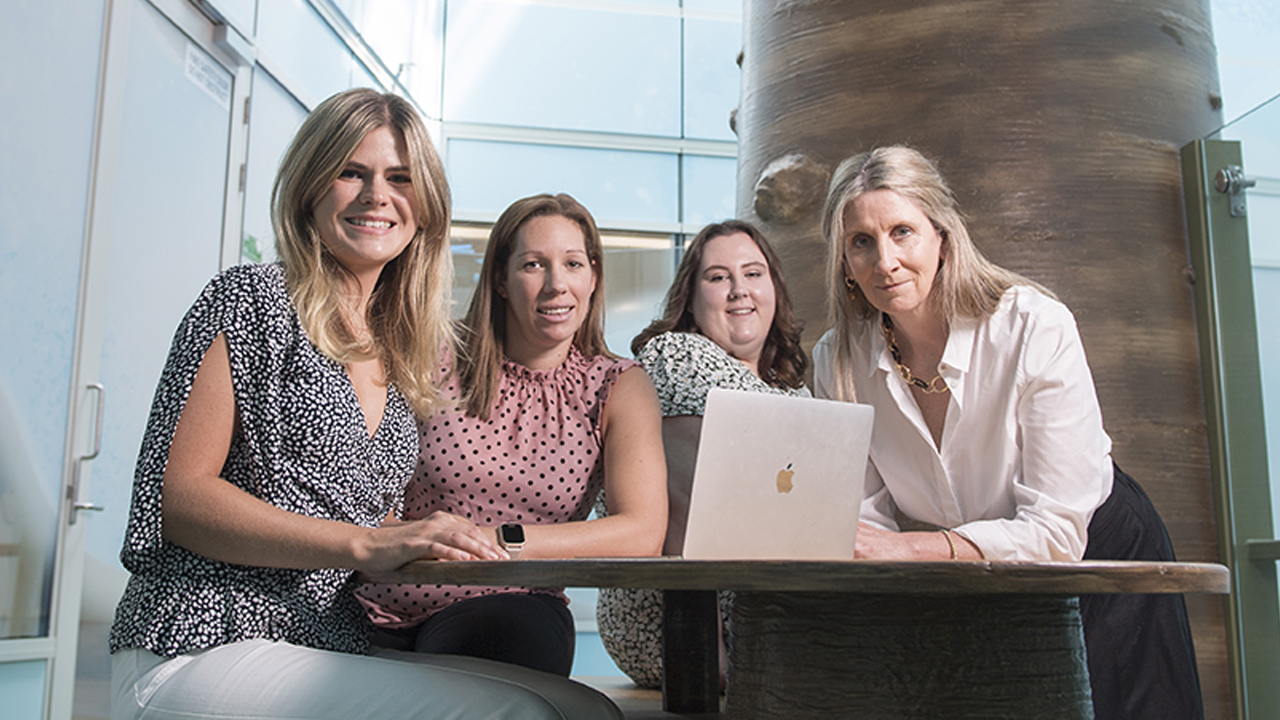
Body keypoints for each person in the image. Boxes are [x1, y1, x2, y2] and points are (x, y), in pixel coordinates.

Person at [108, 89, 621, 720]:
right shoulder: (252, 300)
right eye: (352, 171)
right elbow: (180, 500)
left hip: (322, 641)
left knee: (585, 710)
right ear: (310, 186)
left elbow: (355, 511)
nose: (378, 196)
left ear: (424, 204)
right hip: (200, 640)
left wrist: (422, 537)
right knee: (527, 716)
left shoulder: (397, 346)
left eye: (399, 177)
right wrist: (363, 545)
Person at [813, 145, 1203, 719]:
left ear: (942, 238)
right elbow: (863, 524)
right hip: (974, 569)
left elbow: (1054, 535)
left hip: (1099, 551)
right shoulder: (836, 361)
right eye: (861, 242)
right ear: (843, 261)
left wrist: (910, 549)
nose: (885, 261)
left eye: (902, 232)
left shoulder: (1034, 326)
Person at [356, 193, 667, 677]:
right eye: (533, 265)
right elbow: (367, 489)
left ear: (594, 277)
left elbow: (641, 532)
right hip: (376, 600)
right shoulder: (434, 356)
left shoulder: (618, 385)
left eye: (573, 264)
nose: (556, 285)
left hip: (512, 606)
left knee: (486, 654)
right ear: (500, 279)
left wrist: (494, 539)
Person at [593, 220, 810, 689]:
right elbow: (679, 500)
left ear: (774, 288)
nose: (739, 291)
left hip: (770, 613)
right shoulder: (675, 355)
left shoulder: (796, 390)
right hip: (678, 623)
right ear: (689, 299)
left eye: (753, 274)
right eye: (718, 277)